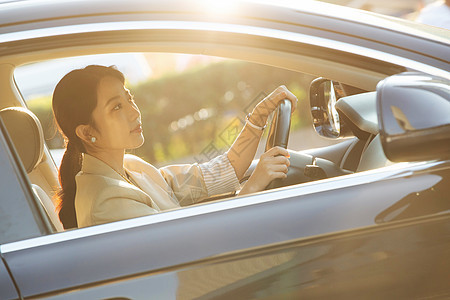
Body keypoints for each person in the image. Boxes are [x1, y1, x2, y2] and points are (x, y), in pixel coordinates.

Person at [52, 65, 297, 229]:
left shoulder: (130, 168)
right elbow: (191, 251)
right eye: (116, 107)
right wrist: (254, 185)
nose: (134, 112)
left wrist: (257, 119)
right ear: (87, 132)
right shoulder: (106, 202)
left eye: (129, 99)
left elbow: (217, 173)